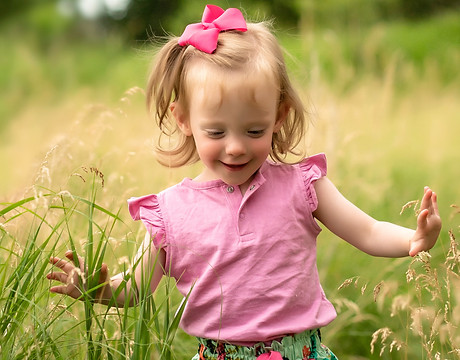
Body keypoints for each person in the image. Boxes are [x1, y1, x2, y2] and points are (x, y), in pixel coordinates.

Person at [47, 5, 442, 360]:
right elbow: (134, 288)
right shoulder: (169, 213)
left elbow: (368, 231)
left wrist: (413, 240)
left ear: (279, 116)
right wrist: (95, 290)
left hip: (302, 354)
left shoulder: (303, 186)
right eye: (216, 133)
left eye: (254, 131)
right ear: (183, 119)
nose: (235, 148)